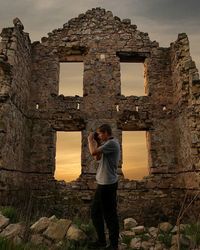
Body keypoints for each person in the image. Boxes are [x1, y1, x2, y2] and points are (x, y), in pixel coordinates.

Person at [87, 124, 120, 250]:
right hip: (103, 184)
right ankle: (101, 241)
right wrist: (97, 142)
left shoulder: (112, 143)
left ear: (106, 133)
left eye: (100, 134)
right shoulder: (107, 144)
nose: (99, 136)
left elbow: (93, 152)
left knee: (110, 215)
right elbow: (97, 157)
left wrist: (90, 140)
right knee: (95, 212)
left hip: (107, 185)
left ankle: (113, 245)